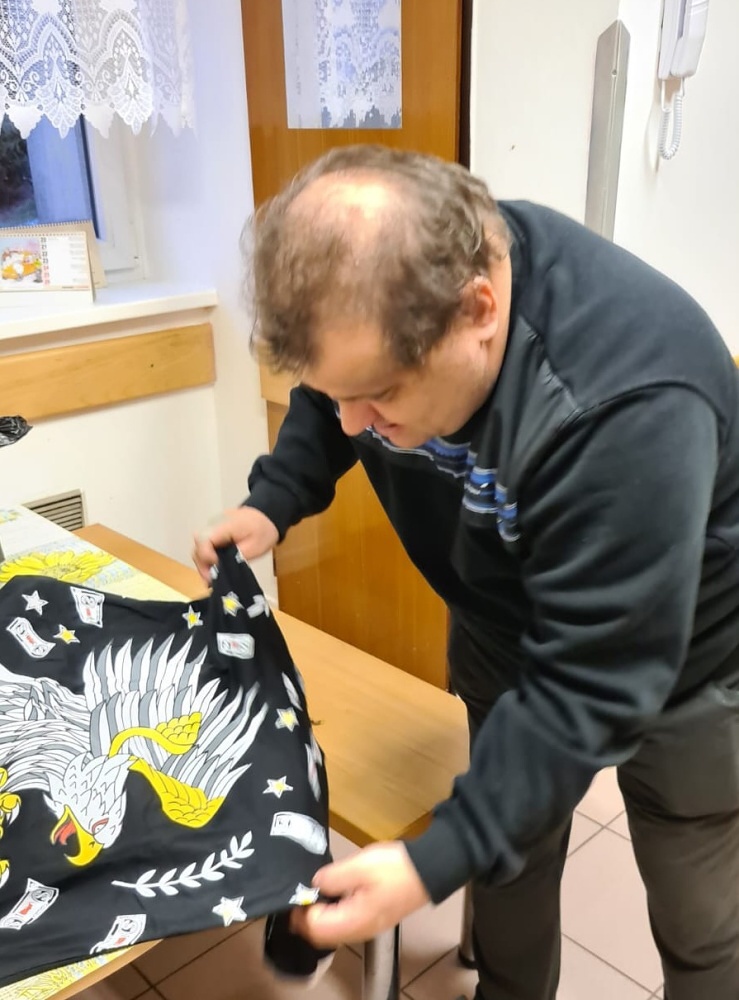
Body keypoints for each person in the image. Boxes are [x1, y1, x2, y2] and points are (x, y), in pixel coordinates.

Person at [193, 145, 739, 1000]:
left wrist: (429, 861)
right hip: (499, 628)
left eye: (379, 395)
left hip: (677, 664)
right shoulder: (400, 306)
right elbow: (331, 400)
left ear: (478, 311)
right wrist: (276, 499)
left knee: (698, 910)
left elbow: (593, 681)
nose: (355, 422)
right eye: (340, 393)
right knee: (509, 862)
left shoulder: (626, 401)